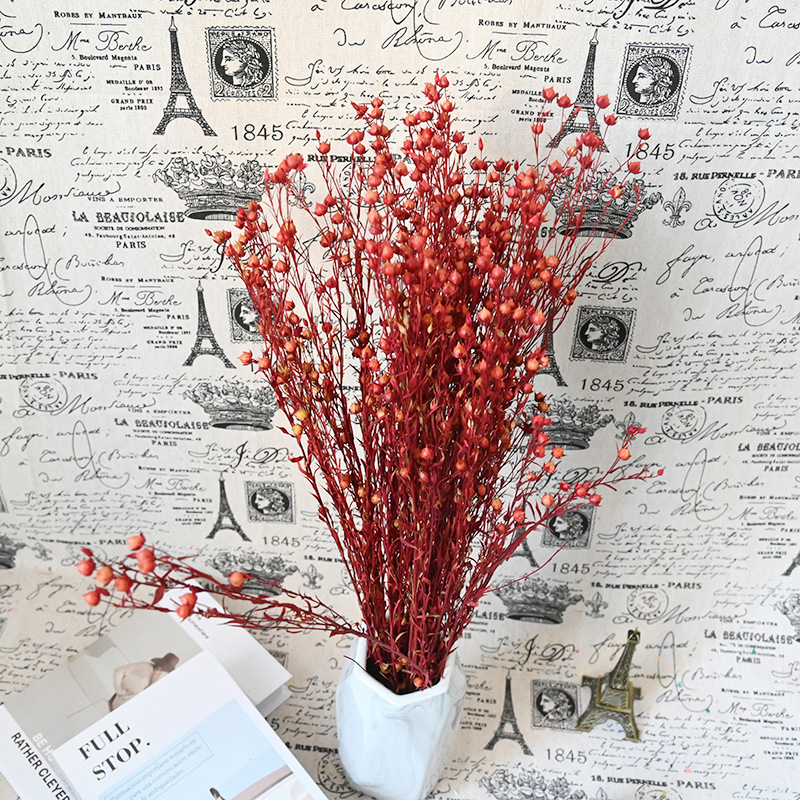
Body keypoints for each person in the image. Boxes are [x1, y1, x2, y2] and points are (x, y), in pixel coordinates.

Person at [108, 653, 179, 711]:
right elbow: (119, 671)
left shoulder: (161, 677)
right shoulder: (144, 666)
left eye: (163, 670)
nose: (159, 672)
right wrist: (119, 690)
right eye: (159, 668)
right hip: (120, 703)